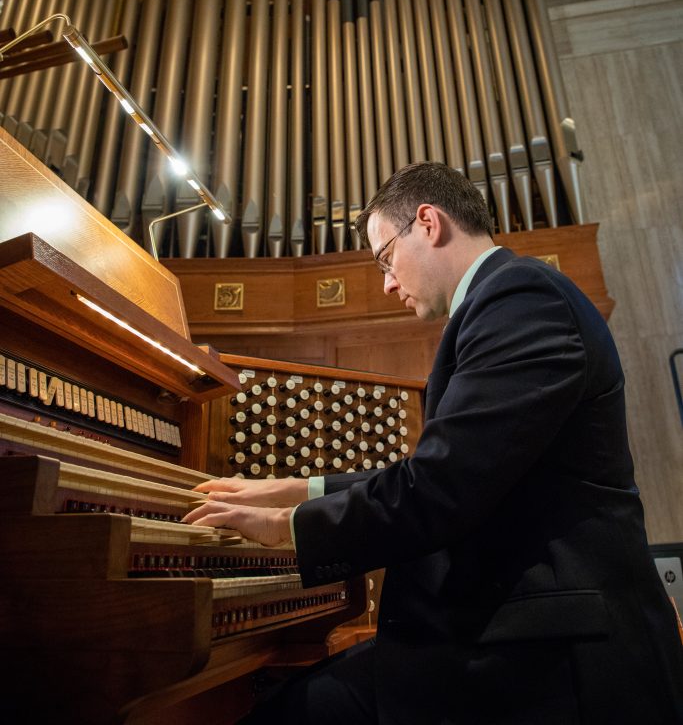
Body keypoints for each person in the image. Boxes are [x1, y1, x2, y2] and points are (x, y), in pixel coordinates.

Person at [183, 162, 683, 724]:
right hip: (509, 632)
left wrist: (287, 528)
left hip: (551, 658)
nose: (387, 283)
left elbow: (440, 489)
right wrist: (294, 489)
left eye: (384, 259)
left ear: (428, 222)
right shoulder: (504, 303)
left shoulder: (522, 298)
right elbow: (445, 470)